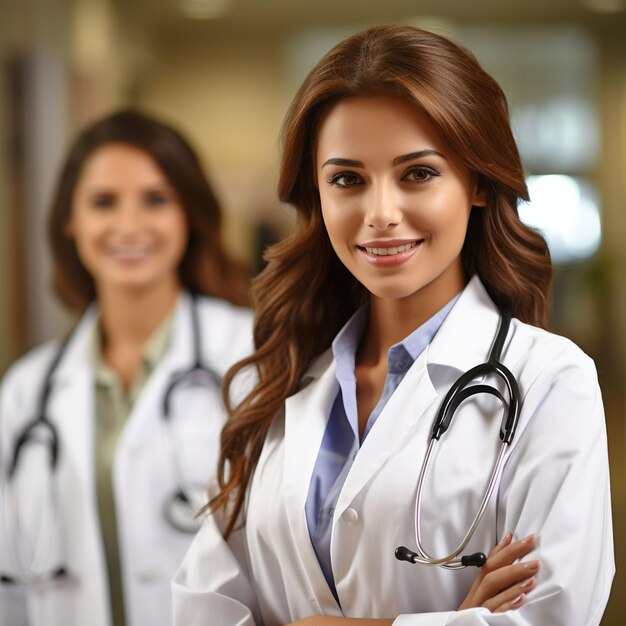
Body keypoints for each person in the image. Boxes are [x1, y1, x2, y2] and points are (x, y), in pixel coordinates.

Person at [172, 24, 614, 626]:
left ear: (478, 182)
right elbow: (202, 605)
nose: (380, 214)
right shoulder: (282, 378)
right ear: (317, 194)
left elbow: (551, 616)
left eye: (418, 173)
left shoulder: (553, 382)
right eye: (347, 179)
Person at [0, 110, 253, 626]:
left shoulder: (251, 356)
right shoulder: (28, 391)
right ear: (70, 220)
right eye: (103, 202)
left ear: (190, 213)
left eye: (156, 199)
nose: (129, 226)